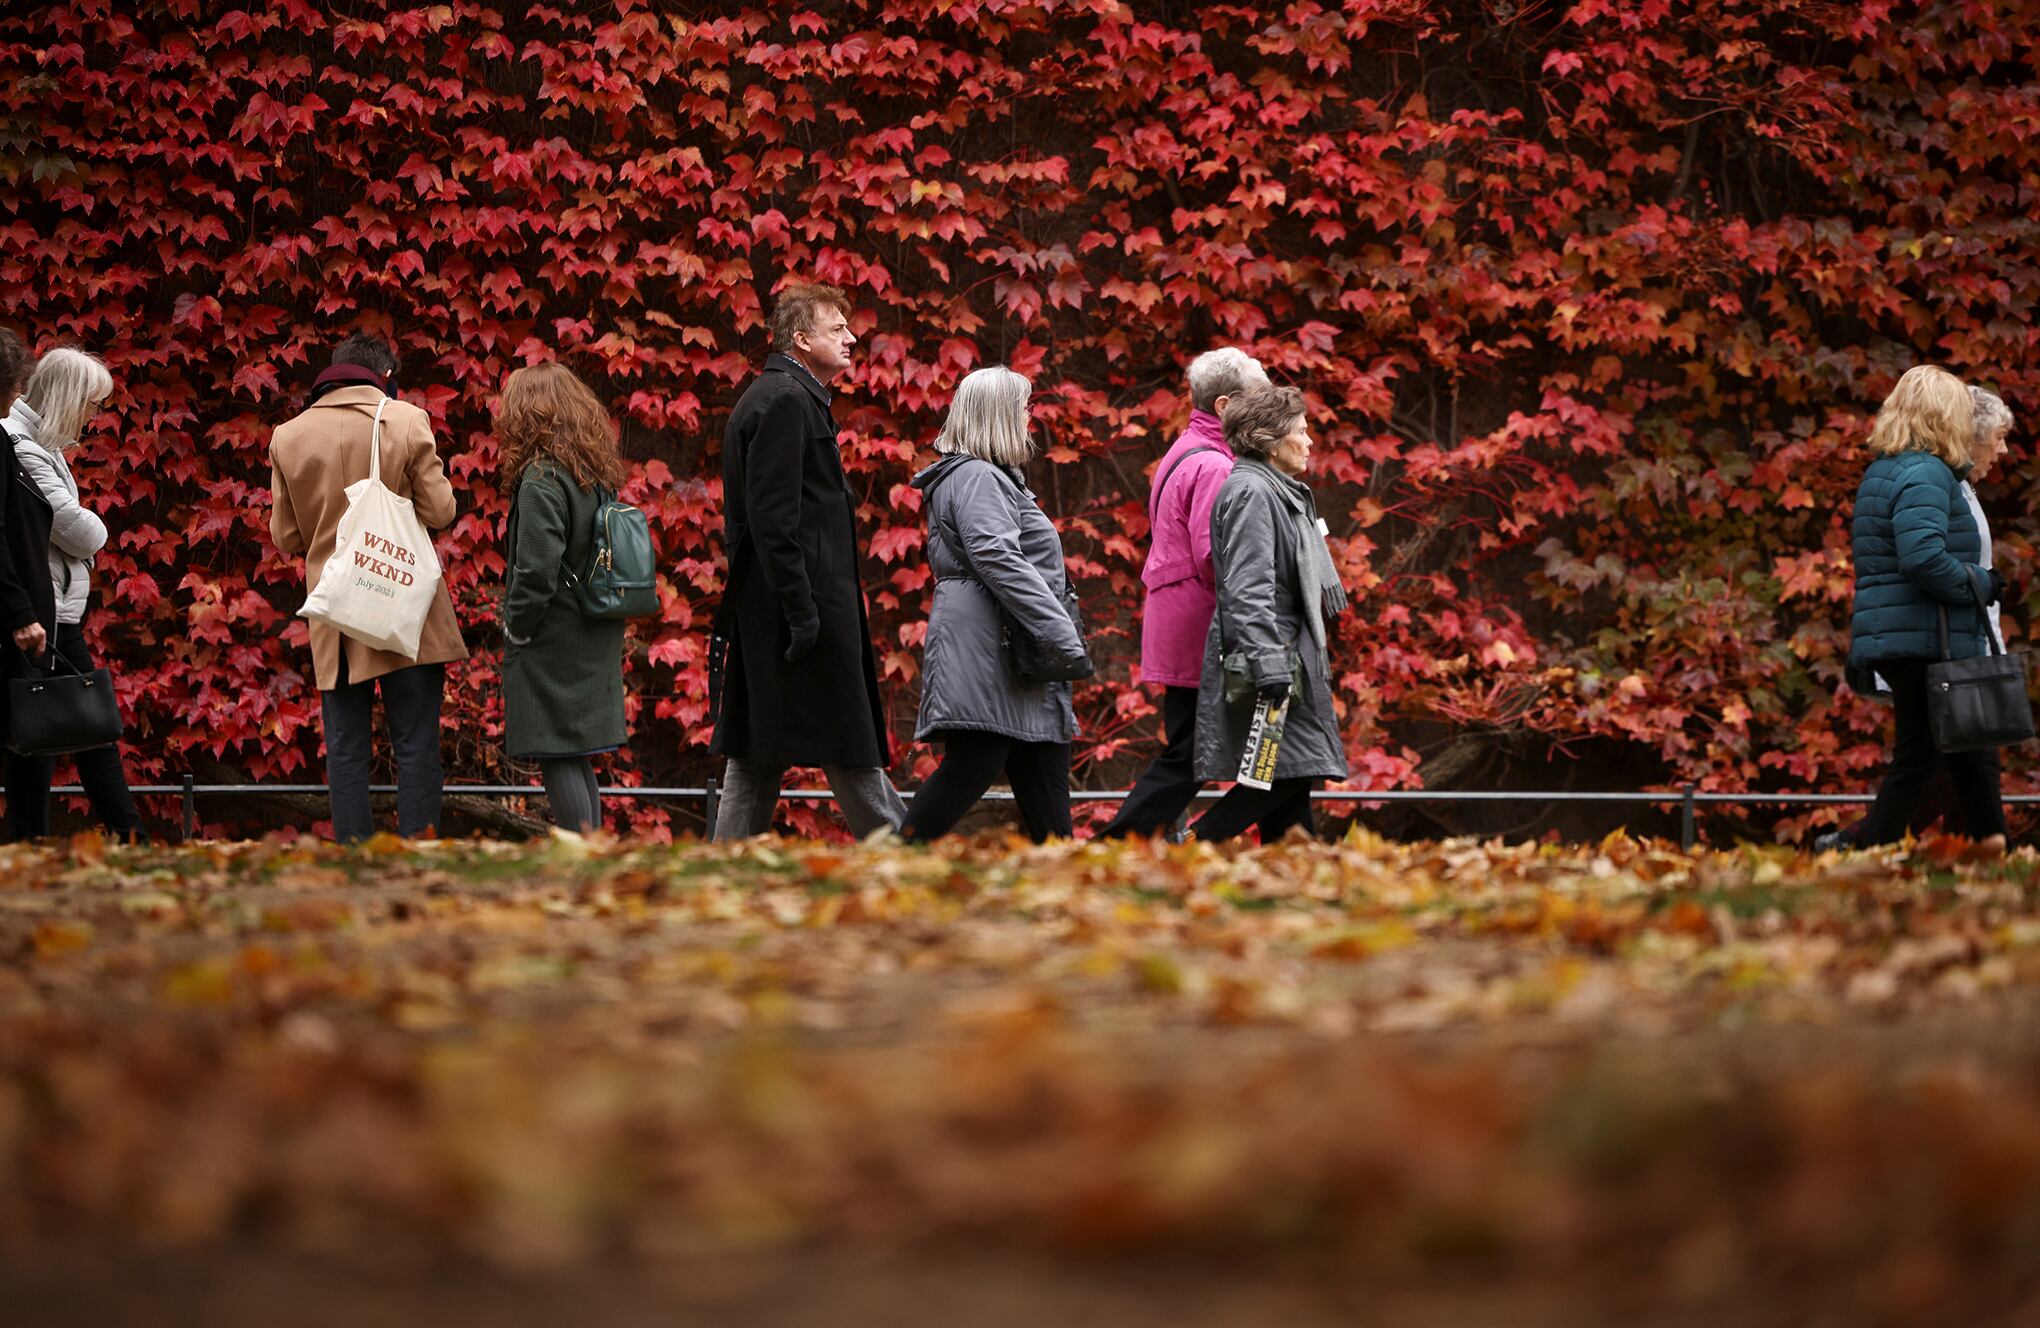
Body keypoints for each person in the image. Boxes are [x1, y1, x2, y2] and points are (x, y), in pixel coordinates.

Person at [708, 282, 906, 839]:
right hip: (799, 611)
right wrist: (802, 613)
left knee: (758, 747)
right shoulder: (786, 402)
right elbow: (773, 521)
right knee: (846, 738)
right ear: (800, 339)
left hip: (782, 607)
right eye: (836, 328)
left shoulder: (786, 397)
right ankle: (907, 856)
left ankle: (720, 869)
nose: (852, 337)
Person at [269, 334, 467, 841]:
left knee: (347, 748)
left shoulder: (287, 436)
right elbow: (442, 512)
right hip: (404, 607)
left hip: (337, 616)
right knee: (417, 743)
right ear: (387, 374)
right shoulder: (403, 419)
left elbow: (287, 536)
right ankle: (418, 854)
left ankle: (354, 860)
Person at [1818, 383, 2016, 850]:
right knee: (1922, 760)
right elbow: (1923, 558)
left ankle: (1994, 854)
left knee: (1967, 757)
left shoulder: (1892, 469)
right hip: (1927, 638)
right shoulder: (1926, 472)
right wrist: (1982, 582)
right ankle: (1866, 855)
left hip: (1914, 636)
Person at [898, 367, 1087, 842]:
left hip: (1010, 647)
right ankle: (893, 863)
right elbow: (995, 555)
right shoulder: (977, 477)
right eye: (1022, 409)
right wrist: (1058, 629)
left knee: (1042, 771)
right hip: (990, 646)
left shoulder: (993, 478)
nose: (1029, 419)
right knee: (973, 764)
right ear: (998, 416)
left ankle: (1067, 890)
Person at [1097, 347, 1269, 839]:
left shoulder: (1186, 448)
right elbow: (1214, 556)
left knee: (1207, 749)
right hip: (1203, 624)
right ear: (1225, 405)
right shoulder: (1216, 465)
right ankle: (1123, 843)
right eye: (1257, 396)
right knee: (1195, 753)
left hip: (1179, 617)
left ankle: (1168, 841)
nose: (1265, 405)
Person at [1189, 384, 1350, 841]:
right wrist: (1271, 665)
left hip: (1287, 653)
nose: (1310, 441)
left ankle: (1298, 880)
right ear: (1270, 438)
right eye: (1302, 431)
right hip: (1275, 657)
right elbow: (1248, 587)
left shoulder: (1273, 490)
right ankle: (1190, 847)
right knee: (1291, 770)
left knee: (1288, 776)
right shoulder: (1253, 493)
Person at [3, 348, 141, 839]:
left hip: (53, 611)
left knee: (45, 737)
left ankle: (27, 842)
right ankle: (130, 837)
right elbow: (81, 533)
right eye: (92, 403)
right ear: (67, 398)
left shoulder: (45, 446)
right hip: (45, 613)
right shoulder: (21, 448)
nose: (95, 415)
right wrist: (98, 528)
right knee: (91, 728)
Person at [494, 363, 628, 834]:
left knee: (558, 752)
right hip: (593, 625)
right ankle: (590, 859)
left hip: (555, 636)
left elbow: (534, 569)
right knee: (574, 753)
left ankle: (581, 864)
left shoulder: (541, 478)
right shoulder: (594, 473)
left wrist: (517, 626)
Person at [0, 330, 55, 840]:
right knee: (30, 750)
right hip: (10, 622)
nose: (18, 397)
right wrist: (19, 612)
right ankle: (26, 853)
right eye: (14, 385)